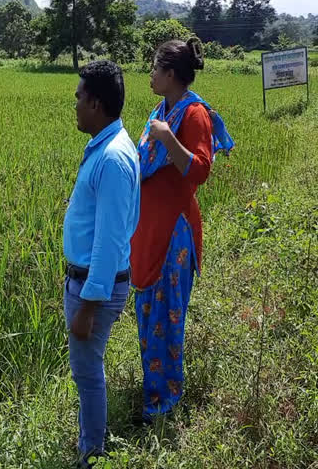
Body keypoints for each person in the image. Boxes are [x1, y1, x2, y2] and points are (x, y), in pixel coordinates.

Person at [131, 38, 235, 424]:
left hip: (175, 229)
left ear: (171, 74)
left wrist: (167, 137)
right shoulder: (160, 110)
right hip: (148, 228)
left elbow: (201, 170)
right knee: (147, 311)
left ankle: (165, 400)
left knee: (168, 314)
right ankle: (152, 388)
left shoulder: (193, 115)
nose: (151, 75)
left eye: (156, 68)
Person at [63, 60, 141, 468]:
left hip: (94, 288)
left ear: (95, 103)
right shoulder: (110, 145)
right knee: (87, 371)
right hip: (89, 282)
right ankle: (88, 446)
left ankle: (91, 455)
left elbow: (110, 243)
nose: (74, 105)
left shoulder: (111, 158)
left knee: (89, 375)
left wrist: (88, 307)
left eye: (78, 97)